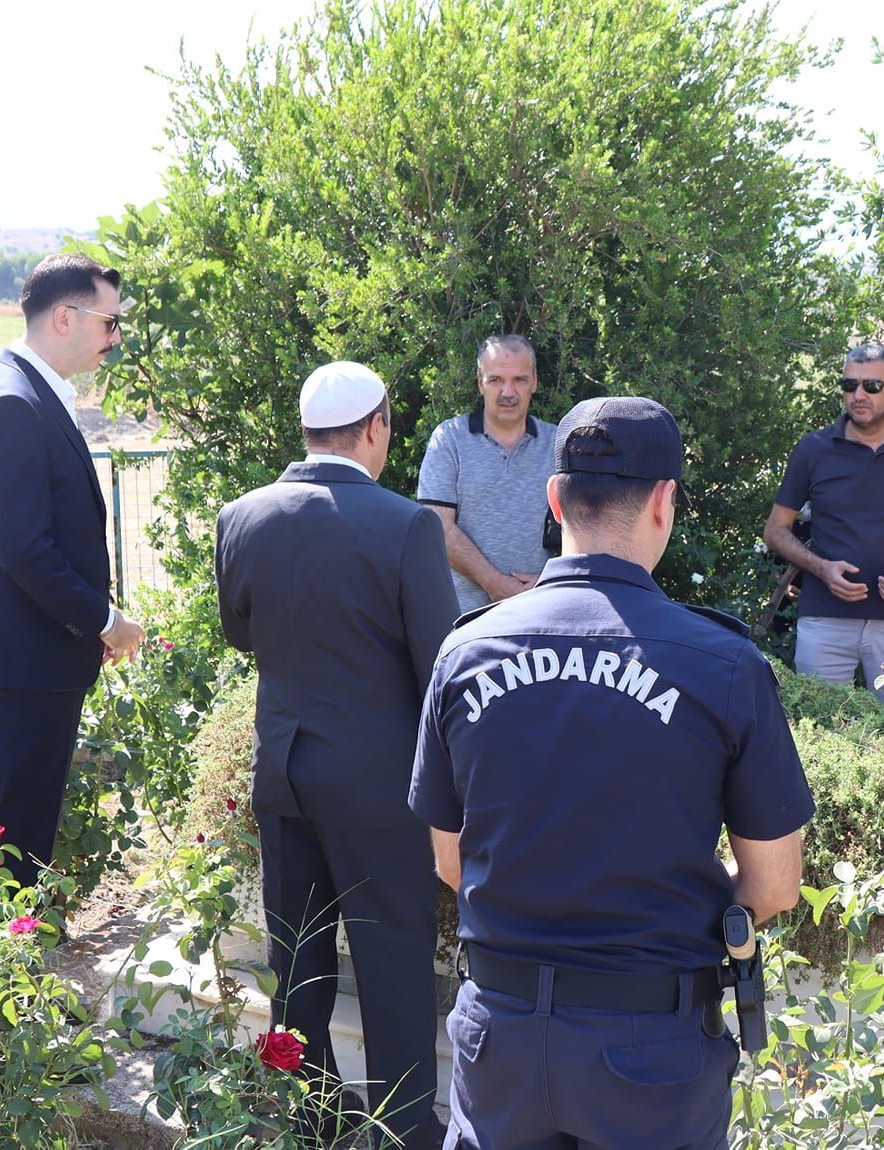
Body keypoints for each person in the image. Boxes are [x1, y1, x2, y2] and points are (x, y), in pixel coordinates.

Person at [410, 396, 815, 1150]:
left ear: (555, 497)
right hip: (650, 1050)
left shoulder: (466, 653)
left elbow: (448, 858)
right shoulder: (722, 665)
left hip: (498, 1038)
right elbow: (775, 886)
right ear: (665, 502)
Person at [215, 362, 459, 1149]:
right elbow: (440, 668)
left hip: (283, 774)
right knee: (391, 964)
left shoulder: (242, 516)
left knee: (300, 965)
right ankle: (405, 1135)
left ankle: (312, 1122)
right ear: (376, 427)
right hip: (380, 786)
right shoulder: (407, 525)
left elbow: (240, 634)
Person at [0, 253, 145, 888]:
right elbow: (27, 550)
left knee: (23, 838)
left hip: (29, 657)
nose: (115, 340)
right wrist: (105, 619)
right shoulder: (12, 401)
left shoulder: (22, 391)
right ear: (66, 317)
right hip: (19, 664)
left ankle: (14, 968)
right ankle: (9, 977)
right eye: (110, 323)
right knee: (19, 847)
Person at [762, 342, 884, 704]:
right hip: (825, 619)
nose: (858, 395)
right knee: (819, 728)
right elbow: (775, 530)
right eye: (849, 385)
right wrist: (821, 568)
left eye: (871, 386)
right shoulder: (813, 449)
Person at [417, 334, 558, 612]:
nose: (508, 392)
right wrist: (495, 584)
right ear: (480, 383)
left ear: (534, 383)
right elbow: (437, 526)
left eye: (519, 379)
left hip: (540, 615)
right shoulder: (450, 439)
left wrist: (547, 583)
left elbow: (583, 528)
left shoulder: (557, 444)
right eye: (496, 380)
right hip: (462, 619)